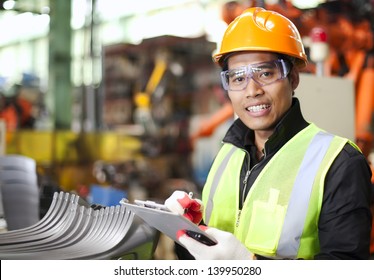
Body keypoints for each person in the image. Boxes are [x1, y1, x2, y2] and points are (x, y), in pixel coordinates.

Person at [164, 7, 373, 260]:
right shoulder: (228, 154)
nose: (252, 90)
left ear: (293, 78)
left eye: (265, 73)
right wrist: (187, 230)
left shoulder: (339, 162)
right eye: (238, 78)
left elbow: (346, 270)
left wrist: (250, 265)